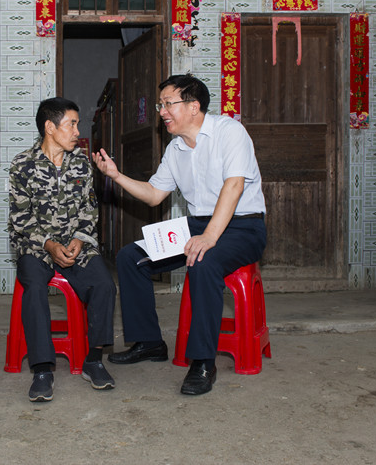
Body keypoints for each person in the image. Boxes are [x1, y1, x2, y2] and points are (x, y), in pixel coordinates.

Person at [92, 74, 267, 396]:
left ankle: (202, 361)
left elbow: (234, 186)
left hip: (243, 225)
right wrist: (116, 176)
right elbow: (154, 195)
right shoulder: (175, 149)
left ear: (194, 106)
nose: (162, 112)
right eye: (160, 105)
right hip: (197, 224)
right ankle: (149, 342)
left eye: (168, 104)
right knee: (131, 257)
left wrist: (210, 237)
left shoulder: (229, 132)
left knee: (202, 261)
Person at [9, 97, 117, 402]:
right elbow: (20, 218)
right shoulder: (22, 164)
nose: (77, 131)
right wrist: (49, 244)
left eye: (76, 124)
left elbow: (89, 209)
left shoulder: (80, 162)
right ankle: (42, 369)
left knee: (105, 285)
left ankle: (93, 360)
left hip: (75, 243)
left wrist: (80, 240)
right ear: (50, 127)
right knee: (34, 288)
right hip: (36, 245)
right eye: (72, 124)